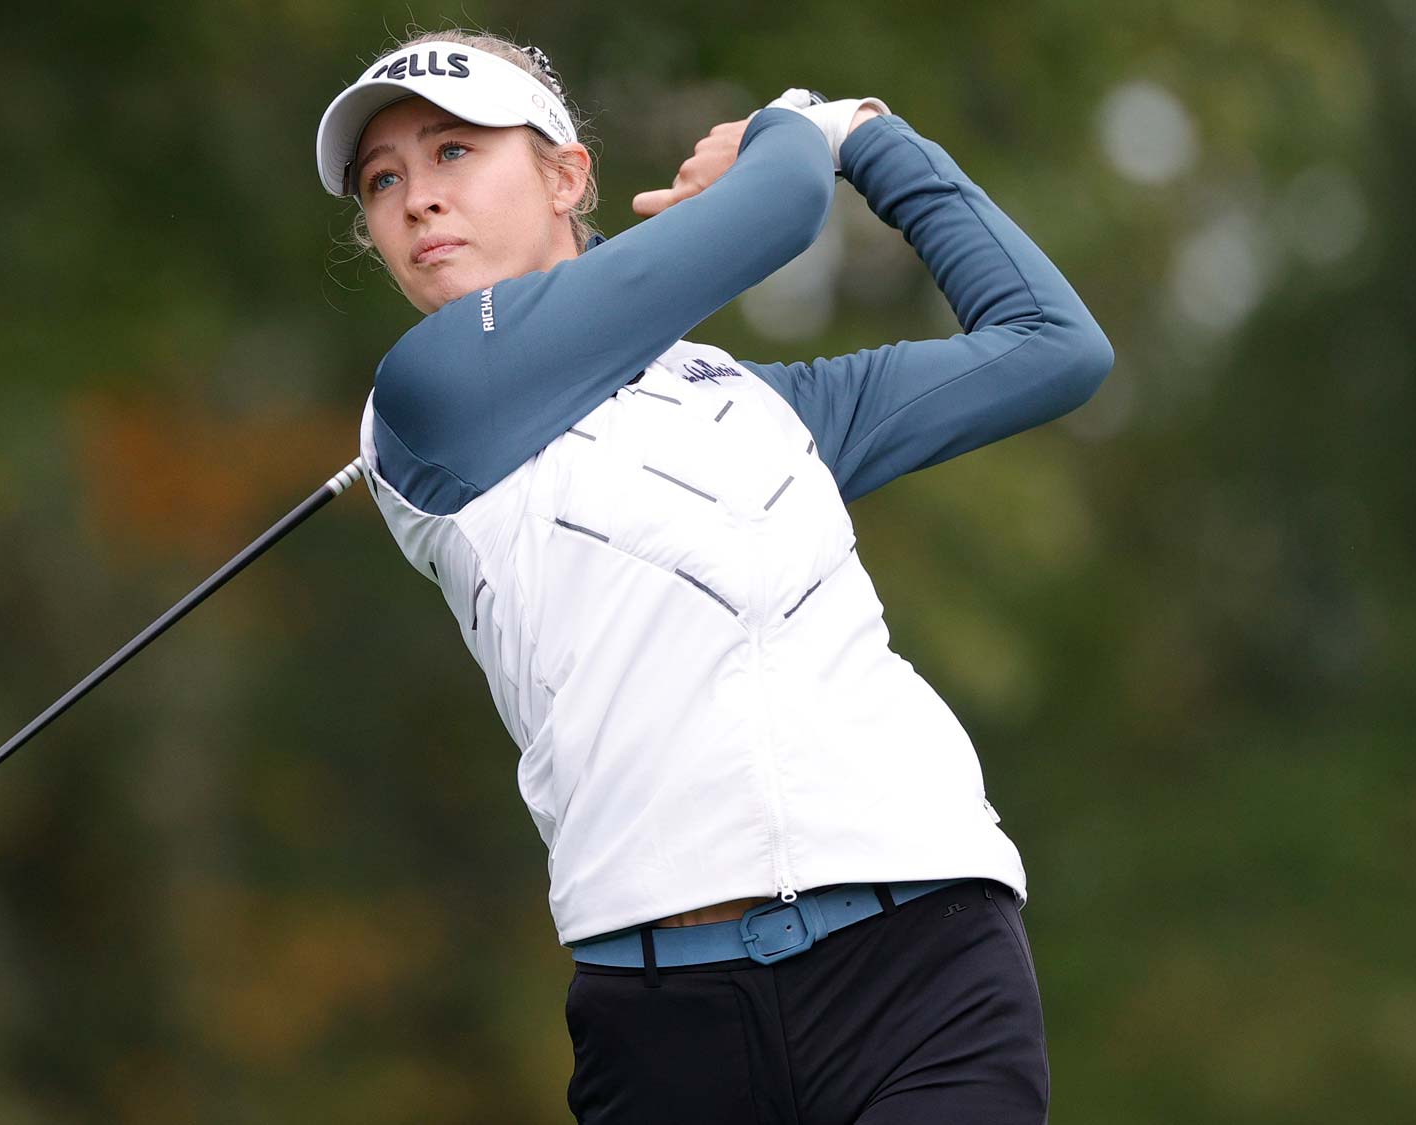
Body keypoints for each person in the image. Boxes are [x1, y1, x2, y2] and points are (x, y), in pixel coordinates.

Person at [314, 28, 1112, 1125]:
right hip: (662, 1017)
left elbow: (1048, 346)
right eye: (382, 180)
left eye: (453, 152)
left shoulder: (761, 404)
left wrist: (874, 141)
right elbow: (778, 203)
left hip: (919, 957)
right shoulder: (430, 398)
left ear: (566, 175)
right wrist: (802, 123)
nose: (414, 200)